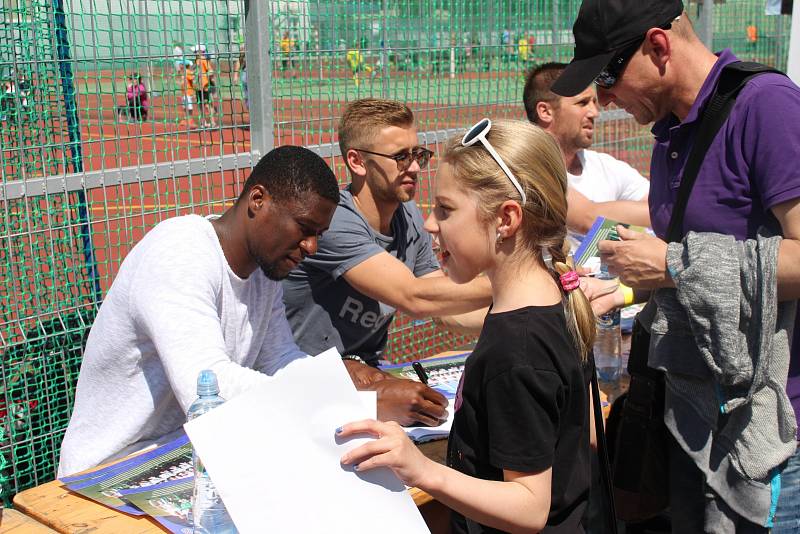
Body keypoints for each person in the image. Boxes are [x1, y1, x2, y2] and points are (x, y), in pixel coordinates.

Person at [552, 0, 800, 531]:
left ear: (658, 46)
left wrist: (670, 265)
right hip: (696, 417)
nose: (605, 99)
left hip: (771, 430)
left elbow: (686, 262)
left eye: (608, 79)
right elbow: (690, 261)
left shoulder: (767, 106)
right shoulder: (671, 134)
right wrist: (626, 290)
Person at [338, 119, 595, 533]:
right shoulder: (549, 299)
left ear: (506, 219)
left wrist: (422, 470)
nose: (429, 224)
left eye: (446, 209)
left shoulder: (518, 351)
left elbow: (529, 507)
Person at [57, 146, 340, 477]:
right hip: (109, 473)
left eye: (318, 235)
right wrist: (319, 401)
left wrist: (346, 391)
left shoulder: (265, 272)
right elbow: (206, 385)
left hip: (186, 457)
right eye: (304, 228)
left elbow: (281, 359)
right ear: (258, 200)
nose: (311, 247)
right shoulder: (180, 252)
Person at [282, 99, 492, 426]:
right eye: (400, 157)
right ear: (357, 161)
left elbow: (444, 305)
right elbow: (416, 297)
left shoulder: (406, 215)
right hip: (305, 383)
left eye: (417, 154)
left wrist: (523, 313)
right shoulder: (334, 220)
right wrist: (519, 277)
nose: (415, 167)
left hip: (369, 373)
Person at [524, 62, 650, 235]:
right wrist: (662, 214)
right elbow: (589, 220)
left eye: (593, 102)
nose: (594, 113)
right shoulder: (527, 170)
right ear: (545, 112)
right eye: (582, 103)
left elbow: (657, 204)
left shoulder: (603, 165)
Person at [193, 46, 216, 128]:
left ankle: (212, 122)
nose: (194, 53)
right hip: (198, 87)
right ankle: (203, 122)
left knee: (207, 104)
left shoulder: (203, 60)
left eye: (195, 51)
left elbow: (210, 71)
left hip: (204, 86)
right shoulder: (196, 60)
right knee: (200, 104)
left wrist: (206, 78)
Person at [233, 45, 248, 111]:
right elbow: (239, 60)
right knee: (247, 98)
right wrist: (235, 75)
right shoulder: (244, 46)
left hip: (255, 75)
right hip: (246, 74)